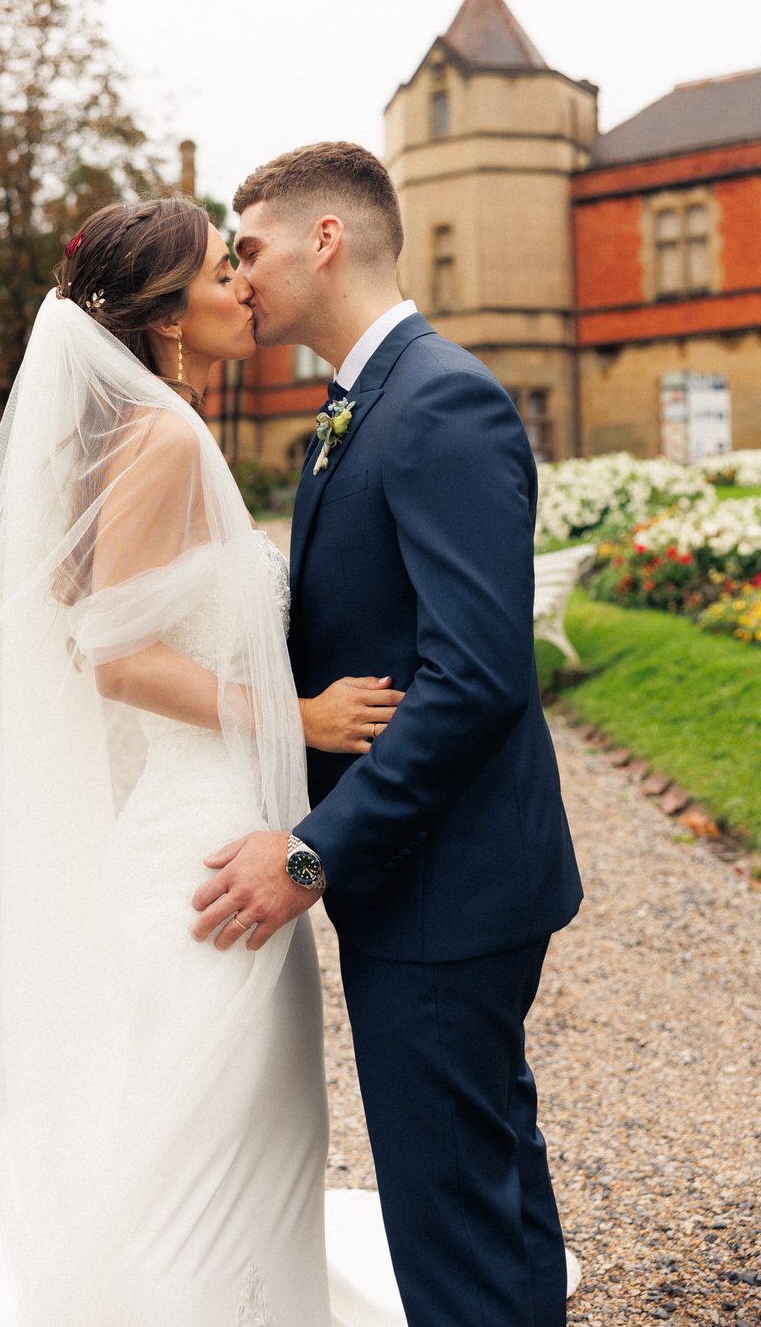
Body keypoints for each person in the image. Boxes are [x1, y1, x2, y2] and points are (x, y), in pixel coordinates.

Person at [0, 196, 403, 1326]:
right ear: (165, 316)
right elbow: (115, 655)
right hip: (206, 848)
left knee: (248, 1133)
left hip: (208, 824)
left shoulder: (155, 432)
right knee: (216, 1143)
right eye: (218, 272)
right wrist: (296, 716)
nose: (245, 284)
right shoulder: (164, 438)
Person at [192, 142, 584, 1327]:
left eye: (247, 246)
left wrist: (315, 851)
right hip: (427, 886)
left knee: (451, 1217)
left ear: (326, 239)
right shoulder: (361, 402)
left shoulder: (439, 398)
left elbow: (475, 678)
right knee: (478, 1186)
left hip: (445, 887)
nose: (237, 273)